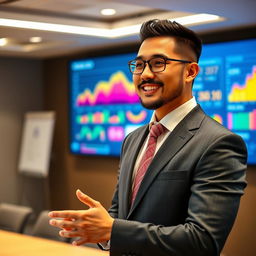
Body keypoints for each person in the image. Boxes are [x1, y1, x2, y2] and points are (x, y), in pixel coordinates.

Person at [48, 19, 247, 256]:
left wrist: (113, 230)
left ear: (190, 71)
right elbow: (120, 216)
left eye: (158, 63)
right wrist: (104, 231)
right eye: (139, 65)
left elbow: (202, 241)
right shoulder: (132, 139)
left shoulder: (218, 143)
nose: (145, 74)